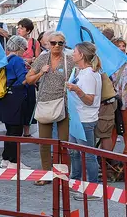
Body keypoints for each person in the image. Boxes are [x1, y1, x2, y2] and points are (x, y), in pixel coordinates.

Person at [26, 31, 75, 186]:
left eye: (60, 43)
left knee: (63, 142)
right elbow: (28, 79)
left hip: (63, 104)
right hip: (46, 102)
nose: (57, 46)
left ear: (64, 44)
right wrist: (41, 72)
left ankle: (62, 174)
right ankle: (46, 173)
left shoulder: (69, 60)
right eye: (53, 43)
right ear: (48, 44)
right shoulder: (42, 59)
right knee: (44, 142)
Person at [65, 42, 102, 200]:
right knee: (74, 153)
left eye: (75, 52)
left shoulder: (89, 74)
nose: (73, 54)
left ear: (81, 55)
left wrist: (77, 90)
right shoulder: (81, 72)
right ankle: (76, 182)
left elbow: (90, 100)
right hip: (77, 118)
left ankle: (93, 188)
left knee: (88, 154)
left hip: (85, 120)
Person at [0, 36, 36, 169]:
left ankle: (6, 159)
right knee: (15, 132)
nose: (25, 51)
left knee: (9, 131)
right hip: (17, 98)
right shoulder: (18, 60)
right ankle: (14, 161)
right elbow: (23, 80)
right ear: (19, 47)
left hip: (6, 97)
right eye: (24, 48)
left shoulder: (6, 60)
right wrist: (36, 73)